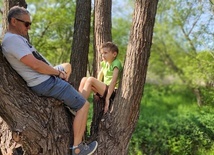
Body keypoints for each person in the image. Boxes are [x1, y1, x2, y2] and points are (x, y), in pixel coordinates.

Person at [2, 6, 97, 155]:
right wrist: (57, 73)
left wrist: (57, 71)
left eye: (30, 24)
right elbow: (35, 65)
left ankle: (70, 101)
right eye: (26, 24)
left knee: (67, 66)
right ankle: (78, 148)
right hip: (44, 81)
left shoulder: (17, 38)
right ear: (14, 21)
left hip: (46, 76)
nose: (29, 27)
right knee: (84, 105)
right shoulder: (12, 40)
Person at [79, 42, 123, 113]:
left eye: (105, 53)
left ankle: (78, 105)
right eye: (102, 53)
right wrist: (96, 91)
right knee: (84, 79)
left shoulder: (116, 63)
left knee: (90, 79)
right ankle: (77, 101)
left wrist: (107, 99)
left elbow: (113, 81)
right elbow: (100, 75)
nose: (103, 55)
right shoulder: (105, 63)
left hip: (112, 92)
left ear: (114, 54)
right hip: (105, 89)